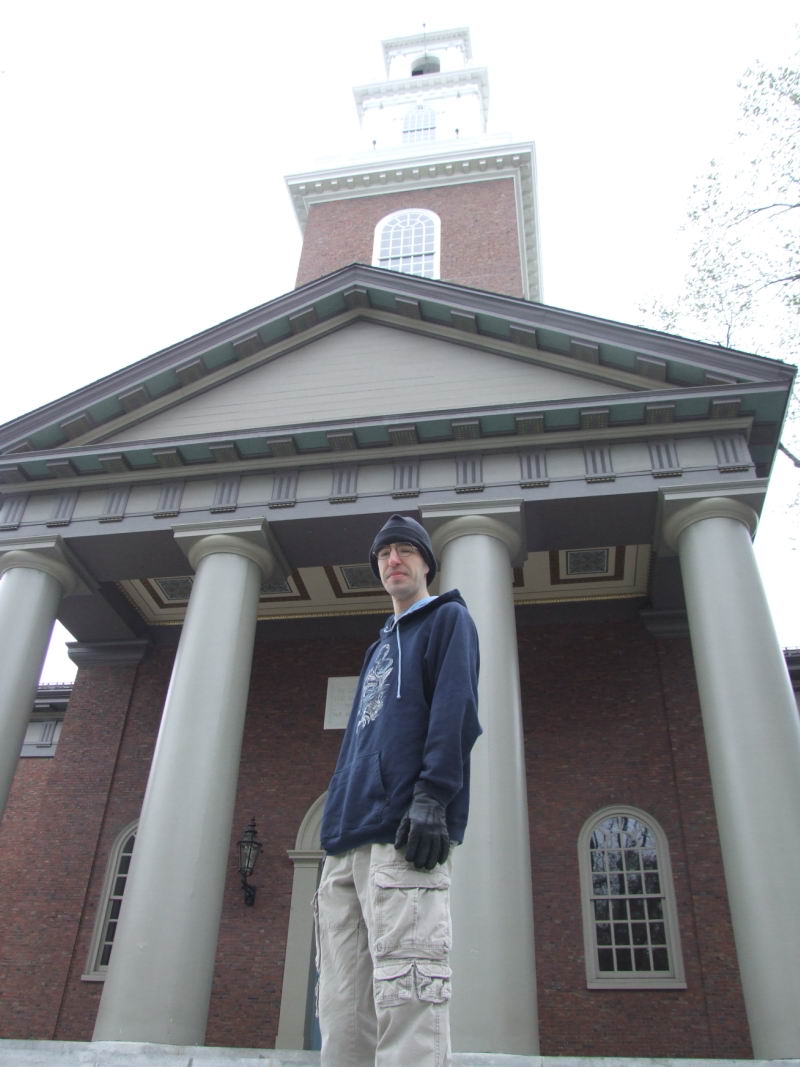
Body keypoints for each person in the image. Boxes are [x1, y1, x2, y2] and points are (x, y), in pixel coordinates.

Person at [316, 513, 481, 1067]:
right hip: (345, 842)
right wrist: (332, 826)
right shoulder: (378, 647)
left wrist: (433, 796)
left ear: (426, 563)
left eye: (406, 550)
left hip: (401, 836)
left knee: (409, 990)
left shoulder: (449, 619)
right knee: (341, 1004)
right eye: (384, 553)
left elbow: (456, 712)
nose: (394, 560)